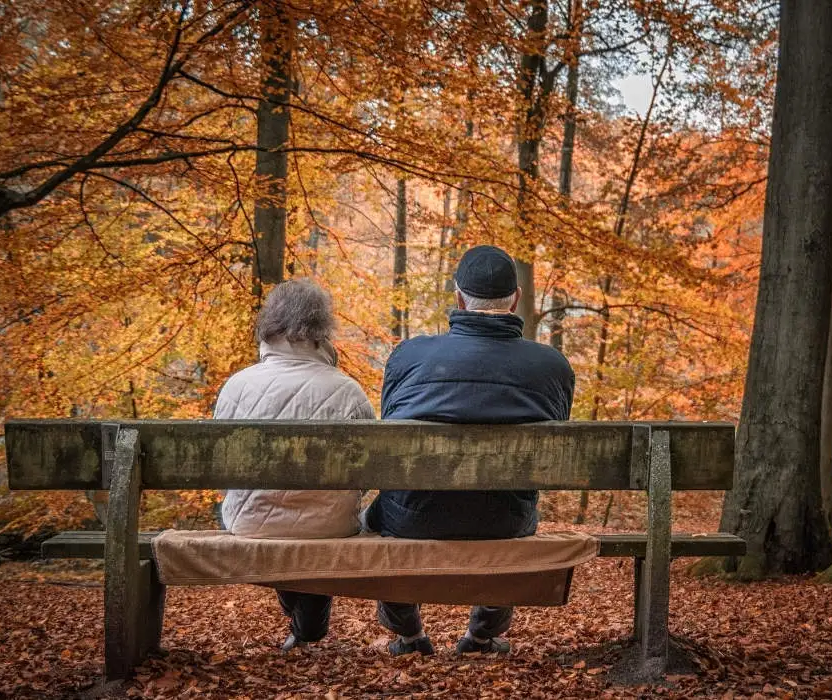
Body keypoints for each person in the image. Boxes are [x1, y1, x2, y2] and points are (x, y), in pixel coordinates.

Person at [363, 244, 576, 657]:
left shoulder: (408, 356)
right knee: (507, 507)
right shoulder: (551, 366)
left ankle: (408, 636)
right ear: (515, 300)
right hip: (504, 520)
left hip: (412, 518)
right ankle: (481, 637)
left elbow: (391, 430)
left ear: (458, 298)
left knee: (385, 510)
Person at [215, 278, 374, 651]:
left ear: (269, 325)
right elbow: (365, 475)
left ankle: (305, 627)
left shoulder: (236, 386)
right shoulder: (347, 390)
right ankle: (309, 628)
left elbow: (223, 472)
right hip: (331, 525)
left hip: (249, 523)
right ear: (323, 330)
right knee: (317, 524)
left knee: (274, 522)